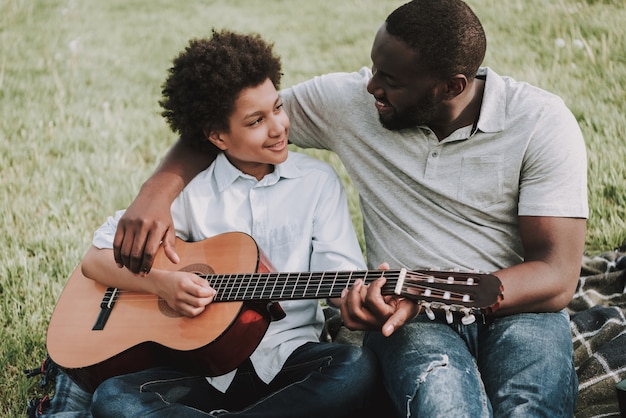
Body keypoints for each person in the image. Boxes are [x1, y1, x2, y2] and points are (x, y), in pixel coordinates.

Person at [112, 1, 588, 417]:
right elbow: (227, 123)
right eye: (373, 68)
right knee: (444, 406)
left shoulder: (541, 124)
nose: (370, 87)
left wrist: (443, 293)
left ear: (450, 86)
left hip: (520, 307)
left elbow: (557, 273)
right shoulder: (351, 101)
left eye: (391, 81)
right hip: (409, 313)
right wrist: (156, 192)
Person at [79, 30, 379, 417]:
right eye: (256, 121)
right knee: (114, 398)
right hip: (200, 367)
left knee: (356, 370)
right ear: (218, 135)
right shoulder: (191, 192)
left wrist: (357, 300)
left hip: (290, 357)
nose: (278, 127)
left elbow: (342, 275)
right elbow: (95, 260)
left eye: (278, 108)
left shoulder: (317, 183)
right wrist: (163, 283)